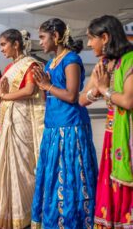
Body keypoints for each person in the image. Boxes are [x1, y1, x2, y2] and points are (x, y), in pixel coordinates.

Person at [31, 18, 98, 228]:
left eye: (43, 37)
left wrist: (47, 85)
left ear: (57, 36)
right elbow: (49, 96)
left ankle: (75, 221)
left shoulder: (71, 60)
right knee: (53, 176)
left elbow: (71, 95)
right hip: (53, 126)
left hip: (70, 127)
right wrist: (42, 87)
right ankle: (54, 220)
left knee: (71, 178)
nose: (40, 42)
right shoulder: (51, 63)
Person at [0, 30, 45, 228]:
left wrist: (3, 96)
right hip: (10, 119)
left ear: (16, 44)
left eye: (3, 44)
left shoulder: (31, 64)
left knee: (23, 165)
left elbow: (30, 90)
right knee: (8, 163)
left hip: (23, 120)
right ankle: (9, 211)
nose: (1, 49)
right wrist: (3, 95)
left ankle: (25, 213)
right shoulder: (10, 67)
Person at [79, 15, 133, 228]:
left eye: (92, 39)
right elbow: (83, 99)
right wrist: (98, 91)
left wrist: (104, 90)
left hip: (128, 135)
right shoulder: (103, 64)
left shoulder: (130, 60)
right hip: (113, 134)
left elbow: (128, 101)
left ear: (105, 37)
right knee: (110, 183)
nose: (89, 44)